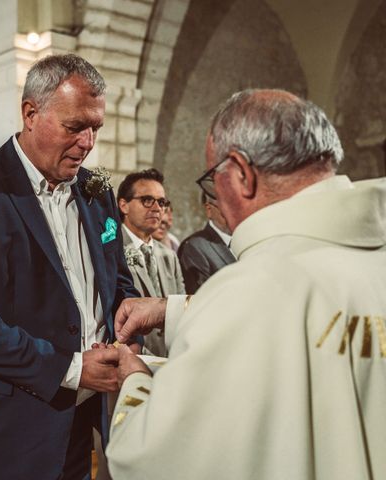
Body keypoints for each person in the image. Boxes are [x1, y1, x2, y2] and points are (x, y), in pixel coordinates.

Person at [105, 89, 386, 480]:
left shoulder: (248, 289)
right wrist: (171, 310)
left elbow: (150, 458)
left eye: (212, 182)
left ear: (240, 173)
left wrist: (135, 380)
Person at [0, 53, 139, 480]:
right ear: (30, 112)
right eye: (75, 126)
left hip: (80, 422)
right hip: (4, 425)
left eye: (95, 127)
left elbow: (116, 281)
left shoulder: (97, 193)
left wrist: (127, 321)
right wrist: (72, 367)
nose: (88, 143)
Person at [116, 168, 184, 356]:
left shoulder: (168, 255)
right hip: (132, 355)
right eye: (147, 200)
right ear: (124, 205)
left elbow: (180, 305)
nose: (157, 208)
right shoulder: (112, 250)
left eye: (162, 202)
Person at [177, 192, 236, 293]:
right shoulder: (194, 248)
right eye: (228, 206)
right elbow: (202, 299)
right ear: (209, 210)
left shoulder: (248, 241)